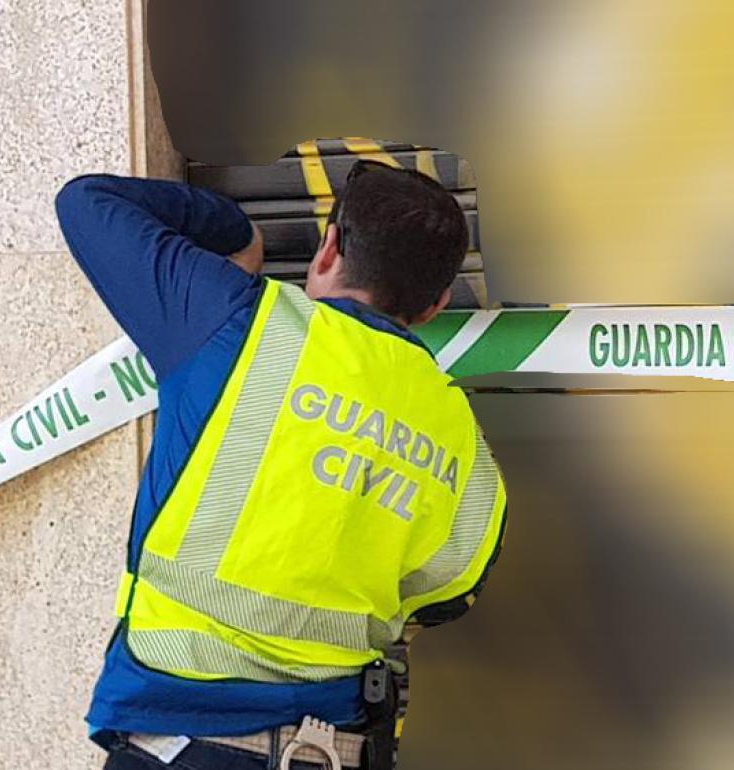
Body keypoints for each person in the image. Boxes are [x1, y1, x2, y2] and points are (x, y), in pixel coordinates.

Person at [55, 159, 507, 770]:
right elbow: (450, 591)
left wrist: (236, 231)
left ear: (327, 250)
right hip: (331, 749)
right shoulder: (461, 436)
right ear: (435, 306)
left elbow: (86, 202)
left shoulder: (238, 322)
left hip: (183, 742)